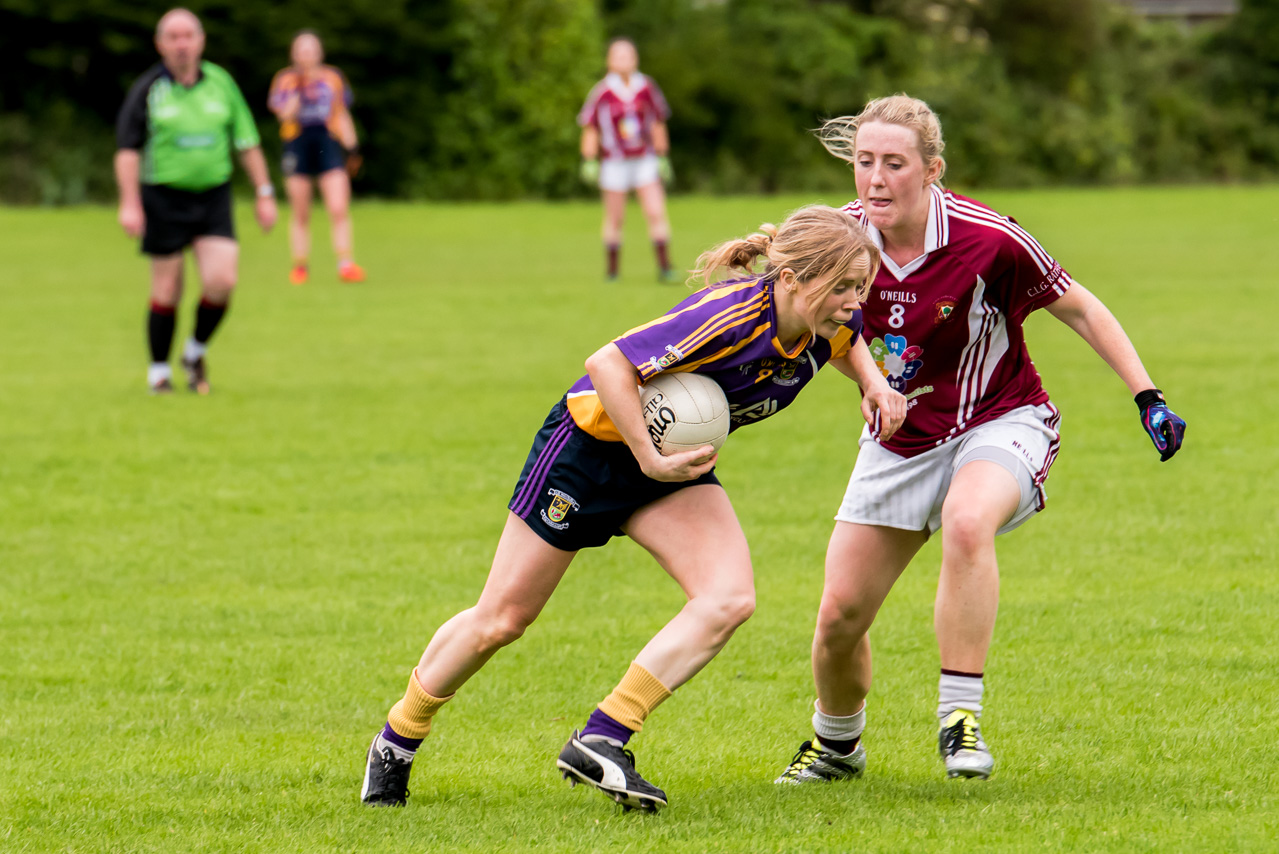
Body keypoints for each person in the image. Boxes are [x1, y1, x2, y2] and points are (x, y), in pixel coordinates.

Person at [360, 206, 907, 811]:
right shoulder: (727, 318)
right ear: (795, 278)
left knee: (728, 599)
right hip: (590, 453)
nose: (855, 303)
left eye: (862, 287)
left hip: (670, 465)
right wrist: (647, 458)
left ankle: (605, 735)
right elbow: (607, 363)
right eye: (843, 288)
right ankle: (397, 740)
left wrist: (875, 383)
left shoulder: (823, 321)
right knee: (502, 620)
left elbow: (845, 341)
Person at [773, 95, 1187, 785]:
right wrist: (874, 385)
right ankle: (836, 745)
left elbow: (1078, 307)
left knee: (968, 521)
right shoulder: (840, 242)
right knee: (839, 616)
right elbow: (823, 327)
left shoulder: (986, 236)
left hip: (1001, 417)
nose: (874, 178)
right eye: (863, 162)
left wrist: (1147, 396)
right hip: (897, 438)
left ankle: (958, 718)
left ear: (931, 169)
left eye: (893, 164)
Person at [115, 7, 277, 395]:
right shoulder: (148, 89)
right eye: (173, 37)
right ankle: (159, 373)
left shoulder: (221, 83)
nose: (182, 44)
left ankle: (194, 352)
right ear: (160, 44)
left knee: (222, 280)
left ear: (201, 40)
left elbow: (247, 141)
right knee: (167, 289)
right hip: (163, 197)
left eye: (189, 35)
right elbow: (127, 150)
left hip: (213, 197)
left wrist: (264, 191)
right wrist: (129, 202)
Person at [267, 30, 364, 285]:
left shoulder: (333, 78)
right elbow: (283, 115)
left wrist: (352, 147)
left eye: (311, 50)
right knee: (301, 211)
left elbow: (342, 114)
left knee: (338, 206)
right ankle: (300, 266)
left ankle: (345, 263)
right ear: (294, 54)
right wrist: (300, 90)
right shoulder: (285, 80)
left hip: (327, 143)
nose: (306, 55)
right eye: (301, 50)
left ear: (319, 52)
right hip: (297, 144)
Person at [577, 38, 676, 283]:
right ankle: (612, 271)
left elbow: (657, 122)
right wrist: (589, 158)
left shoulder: (646, 87)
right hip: (615, 162)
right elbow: (591, 127)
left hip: (644, 159)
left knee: (655, 211)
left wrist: (662, 155)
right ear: (609, 60)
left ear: (635, 59)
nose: (623, 60)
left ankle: (665, 267)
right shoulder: (603, 92)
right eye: (617, 55)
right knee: (615, 217)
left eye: (627, 55)